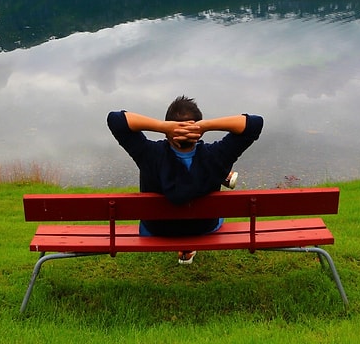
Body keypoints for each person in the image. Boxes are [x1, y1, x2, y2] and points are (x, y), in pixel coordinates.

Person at [107, 95, 263, 264]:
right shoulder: (217, 156)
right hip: (203, 227)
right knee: (212, 176)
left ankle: (184, 245)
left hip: (158, 228)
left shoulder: (149, 155)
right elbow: (254, 124)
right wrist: (205, 126)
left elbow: (116, 119)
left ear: (169, 132)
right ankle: (189, 245)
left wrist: (162, 127)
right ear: (198, 132)